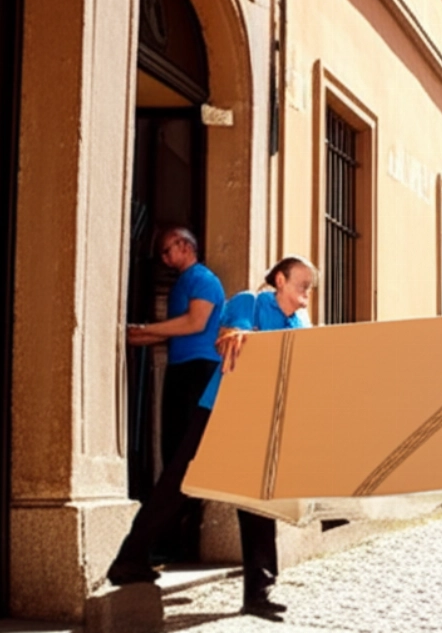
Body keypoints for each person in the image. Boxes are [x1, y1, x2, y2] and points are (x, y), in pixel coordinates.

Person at [108, 256, 318, 623]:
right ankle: (130, 560)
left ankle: (259, 593)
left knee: (257, 500)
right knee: (180, 483)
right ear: (280, 280)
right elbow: (231, 337)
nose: (306, 295)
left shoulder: (299, 322)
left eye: (310, 289)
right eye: (302, 285)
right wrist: (240, 336)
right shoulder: (248, 303)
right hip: (218, 410)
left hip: (261, 419)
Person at [126, 227, 225, 561]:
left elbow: (195, 324)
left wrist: (145, 329)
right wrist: (135, 336)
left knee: (186, 454)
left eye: (167, 251)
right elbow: (175, 333)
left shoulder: (204, 279)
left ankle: (178, 538)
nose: (164, 259)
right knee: (172, 450)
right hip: (181, 368)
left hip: (200, 371)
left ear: (186, 246)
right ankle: (172, 536)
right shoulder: (182, 283)